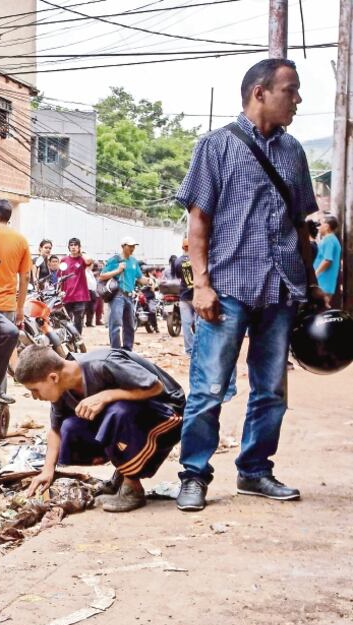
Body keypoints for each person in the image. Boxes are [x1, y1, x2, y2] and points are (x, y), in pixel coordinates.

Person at [175, 58, 322, 511]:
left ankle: (255, 471)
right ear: (260, 92)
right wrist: (201, 284)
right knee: (208, 388)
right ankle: (194, 474)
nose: (297, 99)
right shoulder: (216, 146)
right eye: (290, 90)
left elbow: (301, 226)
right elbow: (198, 222)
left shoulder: (294, 151)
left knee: (271, 391)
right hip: (229, 288)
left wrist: (312, 283)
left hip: (281, 288)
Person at [15, 345, 184, 512]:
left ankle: (132, 488)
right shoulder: (62, 389)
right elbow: (56, 429)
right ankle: (123, 472)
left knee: (116, 412)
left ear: (53, 378)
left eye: (34, 390)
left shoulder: (102, 364)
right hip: (134, 420)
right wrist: (47, 470)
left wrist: (107, 396)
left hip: (169, 414)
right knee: (70, 427)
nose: (34, 397)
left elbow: (155, 386)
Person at [0, 198, 30, 402]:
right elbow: (25, 277)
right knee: (3, 351)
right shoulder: (20, 240)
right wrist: (19, 309)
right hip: (7, 305)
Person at [100, 237, 145, 351]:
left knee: (129, 325)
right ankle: (115, 350)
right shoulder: (115, 260)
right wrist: (118, 271)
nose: (132, 248)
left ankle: (127, 349)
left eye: (133, 246)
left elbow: (140, 277)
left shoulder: (133, 261)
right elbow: (102, 275)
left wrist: (149, 281)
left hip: (129, 295)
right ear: (123, 246)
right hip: (118, 295)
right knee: (116, 323)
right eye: (130, 246)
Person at [61, 237, 92, 333]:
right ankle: (69, 338)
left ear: (79, 247)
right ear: (68, 247)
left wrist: (81, 253)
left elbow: (89, 261)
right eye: (71, 245)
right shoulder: (64, 260)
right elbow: (60, 276)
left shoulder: (81, 259)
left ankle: (78, 338)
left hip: (80, 295)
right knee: (66, 319)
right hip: (67, 294)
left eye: (76, 245)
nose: (73, 247)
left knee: (78, 319)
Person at [314, 215, 341, 308]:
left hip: (323, 283)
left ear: (326, 226)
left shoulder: (329, 240)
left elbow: (327, 260)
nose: (318, 227)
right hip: (324, 283)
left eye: (320, 224)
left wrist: (315, 274)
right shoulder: (331, 239)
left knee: (322, 310)